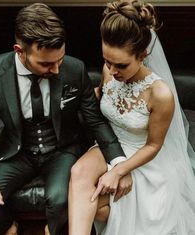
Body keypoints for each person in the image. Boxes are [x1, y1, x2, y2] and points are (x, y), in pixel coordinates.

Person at [0, 3, 132, 235]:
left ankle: (52, 230)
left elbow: (95, 120)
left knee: (59, 199)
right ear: (19, 51)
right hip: (18, 151)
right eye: (45, 63)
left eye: (60, 60)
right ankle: (10, 229)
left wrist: (119, 165)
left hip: (61, 150)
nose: (56, 70)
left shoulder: (74, 69)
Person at [68, 0, 195, 234]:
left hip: (143, 157)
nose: (112, 71)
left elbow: (154, 145)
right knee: (79, 173)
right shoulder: (110, 72)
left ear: (142, 55)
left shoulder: (160, 94)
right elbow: (101, 107)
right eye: (107, 61)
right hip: (110, 145)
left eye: (121, 65)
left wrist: (119, 170)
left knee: (94, 207)